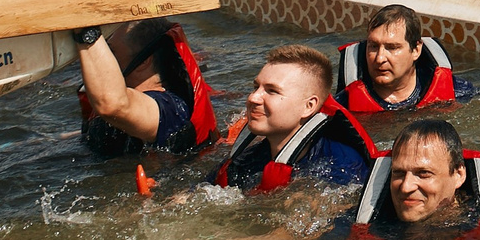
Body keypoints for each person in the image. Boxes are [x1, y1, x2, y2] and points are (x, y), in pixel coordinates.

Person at [211, 44, 378, 191]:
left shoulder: (341, 169)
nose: (253, 98)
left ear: (309, 106)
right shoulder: (245, 161)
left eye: (272, 91)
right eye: (256, 87)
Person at [343, 117, 480, 240]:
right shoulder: (361, 219)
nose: (406, 187)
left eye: (423, 173)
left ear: (458, 175)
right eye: (399, 173)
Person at [75, 16, 216, 157]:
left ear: (144, 62)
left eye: (111, 51)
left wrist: (86, 32)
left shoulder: (172, 110)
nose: (104, 56)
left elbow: (113, 104)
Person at [336, 4, 475, 114]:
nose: (379, 58)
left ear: (416, 50)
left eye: (392, 47)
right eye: (373, 46)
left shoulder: (458, 92)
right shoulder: (343, 105)